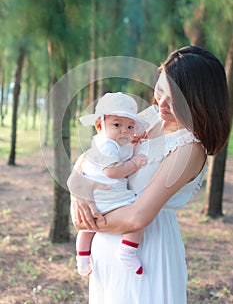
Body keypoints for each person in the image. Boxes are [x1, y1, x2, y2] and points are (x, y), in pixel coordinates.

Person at [69, 46, 231, 304]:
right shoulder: (152, 117)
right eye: (159, 91)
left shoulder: (188, 148)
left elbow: (138, 216)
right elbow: (97, 151)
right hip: (107, 251)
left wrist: (84, 222)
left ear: (198, 102)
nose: (161, 104)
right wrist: (76, 185)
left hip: (147, 253)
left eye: (174, 100)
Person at [68, 92, 149, 276]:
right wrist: (134, 163)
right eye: (117, 125)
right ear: (99, 125)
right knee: (136, 220)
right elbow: (111, 171)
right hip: (109, 195)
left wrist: (131, 142)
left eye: (130, 127)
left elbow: (122, 149)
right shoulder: (107, 145)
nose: (124, 131)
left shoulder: (110, 142)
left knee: (87, 229)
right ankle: (128, 251)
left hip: (96, 197)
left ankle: (82, 259)